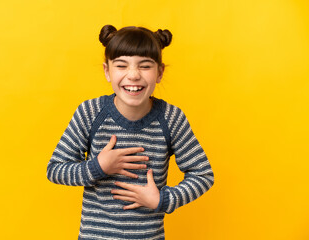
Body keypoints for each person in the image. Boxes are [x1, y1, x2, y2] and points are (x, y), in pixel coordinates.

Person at [47, 24, 214, 240]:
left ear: (160, 72)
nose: (133, 75)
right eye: (121, 65)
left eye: (145, 66)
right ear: (107, 71)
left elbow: (203, 175)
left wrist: (162, 200)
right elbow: (56, 169)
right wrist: (99, 166)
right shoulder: (90, 112)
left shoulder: (171, 118)